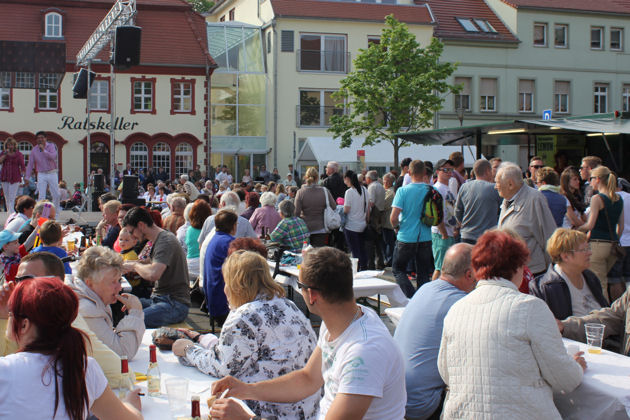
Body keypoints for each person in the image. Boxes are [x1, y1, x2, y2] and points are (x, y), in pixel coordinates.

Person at [210, 247, 406, 420]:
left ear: (311, 296)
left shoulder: (364, 352)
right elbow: (308, 379)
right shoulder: (344, 321)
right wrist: (246, 390)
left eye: (300, 287)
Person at [438, 230, 585, 419]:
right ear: (518, 267)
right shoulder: (530, 308)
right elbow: (565, 379)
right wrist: (577, 367)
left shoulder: (456, 310)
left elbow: (445, 371)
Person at [173, 250, 319, 419]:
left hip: (269, 411)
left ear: (237, 285)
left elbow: (223, 367)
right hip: (306, 408)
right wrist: (201, 339)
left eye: (226, 282)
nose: (225, 289)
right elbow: (239, 353)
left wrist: (188, 350)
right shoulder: (288, 305)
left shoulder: (244, 316)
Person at [0, 276, 143, 419]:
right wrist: (130, 405)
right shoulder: (84, 368)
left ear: (24, 325)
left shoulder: (5, 371)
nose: (8, 317)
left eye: (10, 313)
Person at [394, 243, 475, 420]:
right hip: (421, 405)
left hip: (395, 397)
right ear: (469, 274)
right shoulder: (460, 303)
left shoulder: (425, 288)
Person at [121, 206, 190, 328]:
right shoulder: (160, 239)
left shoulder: (165, 241)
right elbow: (150, 263)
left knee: (135, 320)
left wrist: (134, 265)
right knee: (126, 307)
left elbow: (153, 274)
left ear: (141, 225)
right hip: (162, 300)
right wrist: (128, 265)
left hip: (174, 304)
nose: (132, 237)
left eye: (131, 232)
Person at [71, 246, 145, 359]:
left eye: (119, 280)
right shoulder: (86, 309)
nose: (120, 288)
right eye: (113, 282)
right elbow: (122, 353)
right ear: (90, 283)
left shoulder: (93, 298)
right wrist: (135, 313)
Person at [531, 228, 608, 320]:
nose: (590, 253)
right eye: (584, 250)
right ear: (565, 256)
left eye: (589, 248)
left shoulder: (590, 277)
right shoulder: (547, 288)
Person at [496, 162, 556, 277]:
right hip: (512, 271)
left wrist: (551, 271)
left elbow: (549, 235)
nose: (495, 186)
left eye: (497, 183)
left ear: (510, 184)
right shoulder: (507, 199)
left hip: (533, 273)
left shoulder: (535, 199)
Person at [577, 165, 625, 301]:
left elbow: (590, 225)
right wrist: (614, 239)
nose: (590, 182)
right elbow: (620, 226)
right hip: (613, 244)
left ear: (597, 179)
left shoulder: (597, 199)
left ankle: (603, 314)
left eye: (591, 178)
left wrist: (577, 230)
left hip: (597, 244)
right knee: (608, 280)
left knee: (599, 283)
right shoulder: (618, 199)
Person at [390, 160, 434, 297]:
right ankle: (421, 299)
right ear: (425, 173)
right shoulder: (432, 191)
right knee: (423, 272)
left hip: (406, 236)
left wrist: (396, 227)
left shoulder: (402, 191)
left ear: (409, 173)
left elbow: (393, 217)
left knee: (398, 269)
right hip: (426, 237)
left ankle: (410, 296)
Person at [455, 159, 501, 245]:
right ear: (487, 171)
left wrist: (463, 225)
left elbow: (457, 211)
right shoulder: (494, 189)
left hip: (466, 236)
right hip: (487, 237)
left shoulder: (464, 187)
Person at [203, 210, 237, 325]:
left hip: (213, 298)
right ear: (232, 225)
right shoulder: (228, 242)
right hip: (223, 301)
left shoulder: (215, 239)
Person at [294, 167, 335, 247]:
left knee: (306, 255)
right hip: (321, 227)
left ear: (305, 177)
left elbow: (296, 213)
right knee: (318, 255)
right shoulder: (324, 191)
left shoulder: (300, 192)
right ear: (317, 178)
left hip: (305, 227)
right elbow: (333, 206)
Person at [431, 159, 457, 280]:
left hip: (448, 232)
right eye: (445, 170)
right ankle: (431, 294)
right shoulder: (437, 189)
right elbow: (436, 214)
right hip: (441, 233)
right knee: (440, 268)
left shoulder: (448, 188)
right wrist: (444, 233)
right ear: (438, 172)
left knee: (445, 268)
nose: (448, 172)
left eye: (451, 169)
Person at [24, 131, 60, 210]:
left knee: (56, 195)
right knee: (41, 196)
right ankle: (42, 216)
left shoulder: (51, 146)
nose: (40, 140)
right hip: (41, 174)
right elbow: (30, 164)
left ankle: (55, 215)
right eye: (38, 138)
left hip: (52, 172)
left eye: (42, 138)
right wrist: (27, 177)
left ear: (45, 139)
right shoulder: (34, 150)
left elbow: (53, 157)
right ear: (36, 140)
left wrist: (44, 150)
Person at [343, 170, 369, 271]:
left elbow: (347, 209)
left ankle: (356, 269)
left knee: (354, 250)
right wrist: (367, 220)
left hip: (351, 225)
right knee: (362, 248)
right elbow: (368, 209)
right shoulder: (364, 190)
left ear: (347, 179)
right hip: (362, 224)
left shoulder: (349, 192)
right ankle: (364, 267)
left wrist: (340, 208)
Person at [365, 170, 386, 270]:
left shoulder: (372, 187)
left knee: (370, 241)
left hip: (374, 214)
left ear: (369, 179)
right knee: (378, 241)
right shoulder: (380, 186)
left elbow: (371, 203)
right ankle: (380, 262)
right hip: (380, 213)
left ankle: (371, 264)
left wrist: (367, 216)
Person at [0, 137, 25, 214]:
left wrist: (24, 177)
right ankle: (9, 212)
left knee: (12, 197)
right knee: (6, 197)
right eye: (8, 145)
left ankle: (12, 213)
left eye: (11, 145)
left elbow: (22, 165)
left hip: (15, 177)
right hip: (5, 176)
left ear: (14, 146)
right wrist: (5, 154)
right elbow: (0, 161)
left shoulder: (18, 154)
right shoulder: (3, 153)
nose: (10, 147)